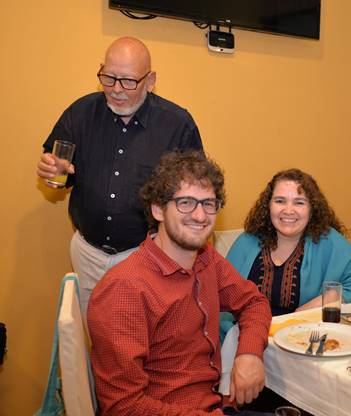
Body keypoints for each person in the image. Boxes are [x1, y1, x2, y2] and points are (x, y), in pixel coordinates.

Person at [88, 150, 272, 416]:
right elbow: (123, 407)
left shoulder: (205, 258)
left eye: (209, 204)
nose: (200, 216)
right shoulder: (124, 289)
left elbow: (253, 301)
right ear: (158, 209)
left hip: (216, 402)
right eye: (186, 203)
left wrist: (250, 353)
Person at [36, 37, 203, 316]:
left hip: (146, 255)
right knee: (98, 339)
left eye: (128, 81)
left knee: (140, 342)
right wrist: (52, 170)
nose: (116, 89)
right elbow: (59, 168)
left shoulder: (177, 124)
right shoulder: (80, 113)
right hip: (88, 253)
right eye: (108, 77)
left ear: (150, 81)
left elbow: (196, 194)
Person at [222, 168, 351, 337]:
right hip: (245, 338)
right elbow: (219, 295)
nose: (288, 210)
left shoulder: (328, 241)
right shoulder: (247, 241)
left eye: (299, 202)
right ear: (268, 205)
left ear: (312, 209)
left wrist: (328, 298)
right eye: (280, 201)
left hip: (302, 341)